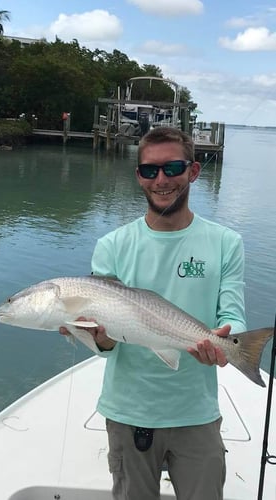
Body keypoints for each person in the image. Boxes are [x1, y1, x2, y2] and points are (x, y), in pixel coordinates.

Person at [61, 126, 247, 500]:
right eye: (150, 171)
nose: (161, 180)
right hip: (129, 412)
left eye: (173, 167)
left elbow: (233, 314)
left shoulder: (227, 243)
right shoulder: (112, 246)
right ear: (139, 176)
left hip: (197, 412)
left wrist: (227, 343)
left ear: (193, 171)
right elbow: (105, 343)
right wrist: (97, 337)